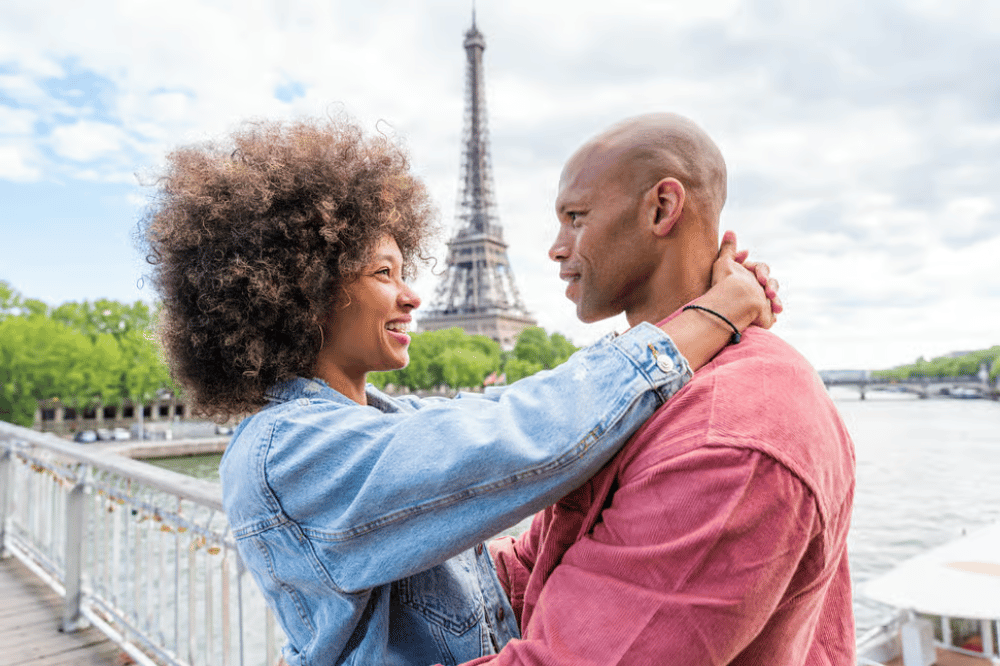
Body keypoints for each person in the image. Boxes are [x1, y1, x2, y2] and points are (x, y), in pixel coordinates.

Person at [141, 115, 779, 666]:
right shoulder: (288, 453)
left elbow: (518, 413)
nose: (412, 295)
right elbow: (526, 433)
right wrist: (715, 313)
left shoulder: (380, 421)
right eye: (384, 273)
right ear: (307, 294)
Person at [463, 113, 856, 665]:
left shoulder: (730, 438)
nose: (556, 247)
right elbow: (539, 562)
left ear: (662, 208)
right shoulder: (659, 389)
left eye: (576, 218)